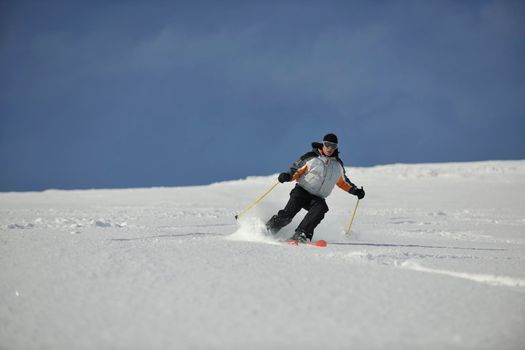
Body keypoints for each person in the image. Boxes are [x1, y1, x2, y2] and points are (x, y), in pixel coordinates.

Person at [266, 133, 365, 242]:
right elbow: (296, 169)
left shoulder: (337, 165)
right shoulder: (311, 157)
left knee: (321, 208)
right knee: (287, 216)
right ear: (323, 144)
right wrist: (288, 176)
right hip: (302, 191)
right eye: (327, 144)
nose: (330, 148)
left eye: (333, 146)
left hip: (317, 197)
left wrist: (355, 191)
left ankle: (302, 234)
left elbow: (343, 181)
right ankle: (269, 229)